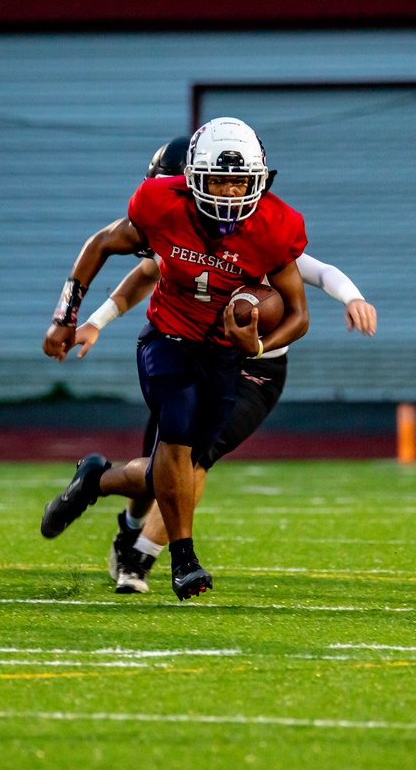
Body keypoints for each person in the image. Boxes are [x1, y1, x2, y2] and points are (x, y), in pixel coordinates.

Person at [43, 136, 378, 593]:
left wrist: (352, 298)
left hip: (253, 366)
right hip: (182, 348)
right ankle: (122, 519)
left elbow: (315, 275)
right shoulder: (168, 216)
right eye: (213, 184)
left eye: (232, 184)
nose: (223, 196)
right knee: (165, 460)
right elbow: (142, 271)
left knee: (190, 459)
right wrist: (92, 321)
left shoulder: (265, 227)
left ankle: (142, 554)